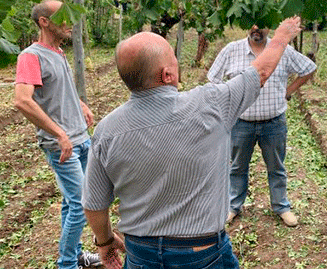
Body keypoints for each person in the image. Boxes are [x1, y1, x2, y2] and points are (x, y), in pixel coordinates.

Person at [81, 17, 302, 269]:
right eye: (174, 61)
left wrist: (105, 242)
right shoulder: (209, 104)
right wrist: (282, 36)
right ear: (167, 74)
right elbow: (260, 72)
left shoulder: (106, 131)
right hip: (202, 254)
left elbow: (94, 205)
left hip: (141, 255)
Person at [13, 0, 101, 269]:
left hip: (81, 139)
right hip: (62, 145)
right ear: (44, 22)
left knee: (71, 203)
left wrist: (81, 105)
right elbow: (23, 101)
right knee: (82, 205)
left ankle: (75, 255)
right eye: (62, 17)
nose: (69, 23)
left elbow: (61, 90)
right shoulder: (31, 56)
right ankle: (67, 264)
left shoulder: (58, 53)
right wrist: (59, 134)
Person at [207, 24, 316, 227]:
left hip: (273, 122)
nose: (256, 29)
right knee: (237, 167)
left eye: (262, 25)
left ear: (269, 28)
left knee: (277, 167)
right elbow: (213, 79)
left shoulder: (283, 50)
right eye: (252, 24)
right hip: (241, 123)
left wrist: (288, 91)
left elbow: (309, 68)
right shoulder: (232, 50)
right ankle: (233, 206)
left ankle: (281, 206)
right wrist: (228, 100)